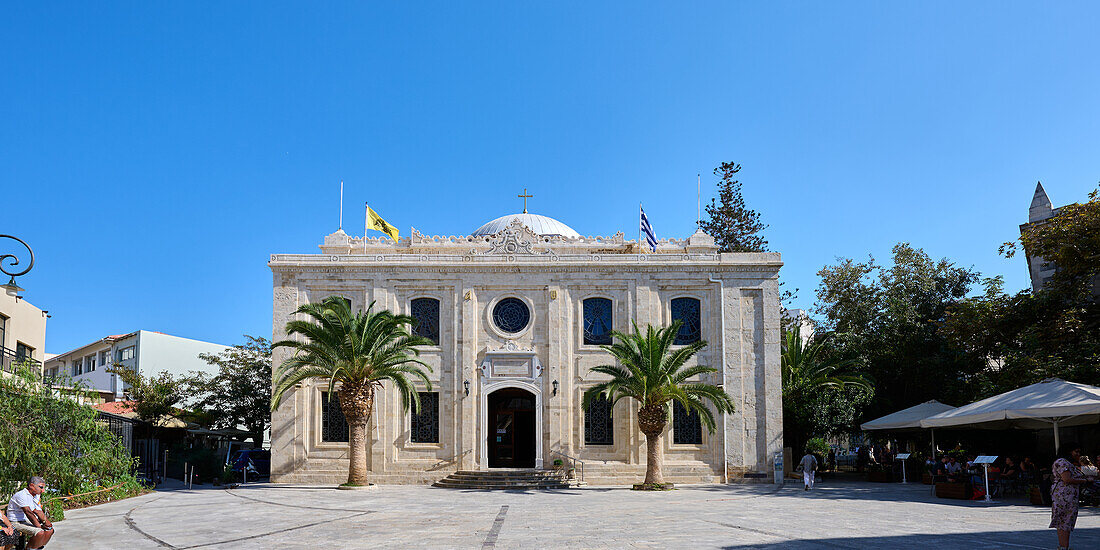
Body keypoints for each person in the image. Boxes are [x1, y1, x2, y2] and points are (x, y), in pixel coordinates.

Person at [1050, 443, 1088, 550]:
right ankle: (1063, 546)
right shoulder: (1062, 462)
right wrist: (1084, 481)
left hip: (1067, 495)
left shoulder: (1067, 463)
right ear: (1069, 451)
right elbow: (1066, 479)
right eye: (1076, 451)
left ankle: (1064, 546)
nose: (1078, 454)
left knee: (1065, 521)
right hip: (1065, 496)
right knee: (1064, 521)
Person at [6, 476, 53, 549]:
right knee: (39, 532)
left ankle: (38, 547)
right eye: (41, 487)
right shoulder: (21, 495)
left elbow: (38, 511)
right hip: (14, 522)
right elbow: (28, 513)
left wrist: (47, 524)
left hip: (23, 520)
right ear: (31, 486)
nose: (43, 490)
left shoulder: (33, 495)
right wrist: (39, 526)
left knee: (50, 530)